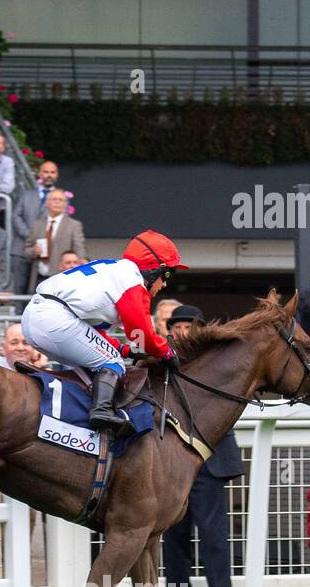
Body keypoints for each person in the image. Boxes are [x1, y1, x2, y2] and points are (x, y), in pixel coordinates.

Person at [22, 230, 185, 434]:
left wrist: (126, 350)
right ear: (153, 270)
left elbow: (91, 333)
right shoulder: (133, 282)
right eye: (168, 274)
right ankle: (102, 413)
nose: (166, 282)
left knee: (99, 365)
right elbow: (140, 333)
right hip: (55, 319)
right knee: (113, 362)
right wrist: (166, 352)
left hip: (38, 317)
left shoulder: (114, 270)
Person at [159, 305, 242, 587]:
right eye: (177, 327)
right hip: (172, 461)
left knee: (214, 534)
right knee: (174, 537)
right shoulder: (161, 361)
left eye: (188, 327)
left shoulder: (217, 363)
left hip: (207, 458)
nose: (183, 333)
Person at [12, 159, 61, 294]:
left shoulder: (60, 198)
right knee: (19, 289)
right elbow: (15, 216)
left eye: (52, 172)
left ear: (57, 175)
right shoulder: (26, 194)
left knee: (42, 291)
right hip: (21, 249)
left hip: (47, 254)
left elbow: (61, 221)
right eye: (45, 172)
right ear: (39, 174)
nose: (49, 175)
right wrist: (30, 236)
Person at [25, 188, 85, 290]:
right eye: (54, 199)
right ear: (47, 203)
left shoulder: (74, 225)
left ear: (66, 204)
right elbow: (26, 250)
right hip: (38, 278)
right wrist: (33, 251)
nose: (57, 202)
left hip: (62, 277)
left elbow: (79, 249)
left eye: (60, 200)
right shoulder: (37, 224)